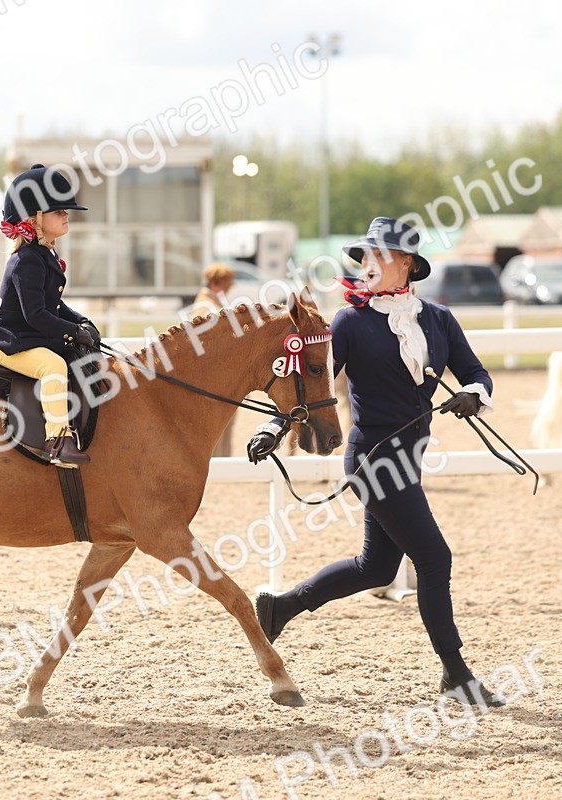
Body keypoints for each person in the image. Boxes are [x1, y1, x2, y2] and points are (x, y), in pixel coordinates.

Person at [248, 216, 505, 708]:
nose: (368, 264)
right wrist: (274, 426)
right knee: (434, 558)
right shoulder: (350, 322)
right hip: (371, 459)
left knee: (376, 567)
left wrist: (472, 395)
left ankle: (282, 607)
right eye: (364, 256)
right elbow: (314, 386)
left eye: (379, 256)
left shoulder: (437, 320)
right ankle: (456, 673)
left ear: (406, 264)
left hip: (410, 456)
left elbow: (475, 373)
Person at [0, 164, 101, 467]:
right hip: (7, 342)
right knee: (54, 366)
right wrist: (71, 332)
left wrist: (81, 323)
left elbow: (55, 306)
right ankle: (57, 440)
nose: (66, 215)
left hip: (27, 335)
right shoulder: (27, 259)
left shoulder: (44, 255)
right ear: (35, 219)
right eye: (58, 212)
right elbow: (36, 315)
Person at [191, 262, 238, 457]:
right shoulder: (206, 306)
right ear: (218, 283)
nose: (228, 290)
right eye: (226, 285)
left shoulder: (209, 303)